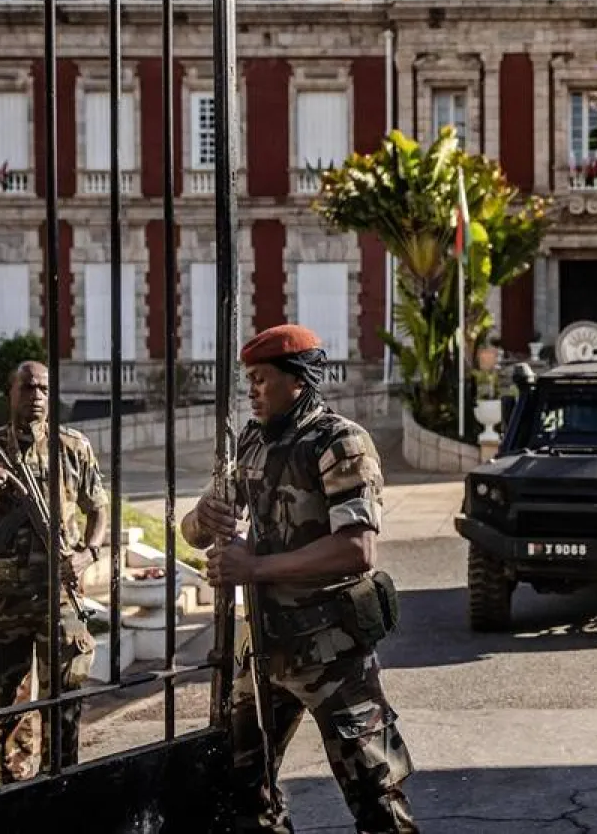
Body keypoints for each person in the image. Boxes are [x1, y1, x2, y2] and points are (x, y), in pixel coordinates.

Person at [181, 323, 417, 834]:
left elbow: (357, 549)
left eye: (262, 379)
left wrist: (255, 567)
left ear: (298, 381)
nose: (252, 390)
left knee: (375, 797)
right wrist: (206, 515)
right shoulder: (251, 443)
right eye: (249, 379)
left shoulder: (341, 443)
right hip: (264, 650)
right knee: (243, 791)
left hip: (331, 649)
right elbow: (193, 532)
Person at [0, 360, 107, 783]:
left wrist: (88, 553)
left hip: (59, 595)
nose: (36, 397)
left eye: (44, 390)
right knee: (9, 710)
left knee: (64, 702)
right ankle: (16, 792)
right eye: (28, 388)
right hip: (4, 599)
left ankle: (62, 784)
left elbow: (99, 510)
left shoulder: (73, 447)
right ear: (10, 393)